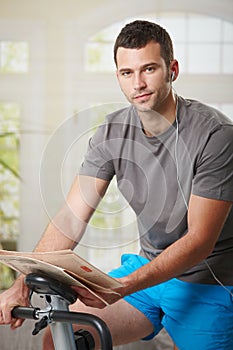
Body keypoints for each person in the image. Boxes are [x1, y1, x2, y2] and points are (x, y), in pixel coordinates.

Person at [0, 20, 233, 350]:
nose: (137, 83)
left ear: (173, 69)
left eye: (149, 69)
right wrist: (22, 283)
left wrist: (123, 285)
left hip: (209, 281)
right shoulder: (112, 132)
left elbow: (199, 241)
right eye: (127, 73)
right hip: (149, 271)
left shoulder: (215, 136)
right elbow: (71, 217)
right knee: (63, 338)